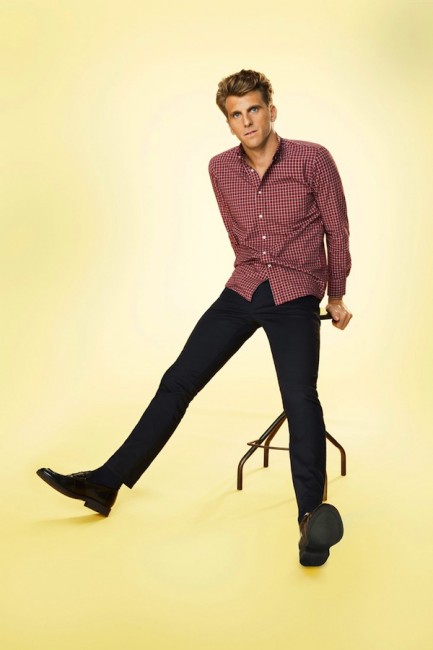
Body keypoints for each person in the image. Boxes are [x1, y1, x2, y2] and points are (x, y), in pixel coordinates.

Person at [37, 69, 352, 567]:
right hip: (244, 287)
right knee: (177, 381)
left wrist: (335, 295)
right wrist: (248, 274)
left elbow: (337, 228)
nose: (247, 121)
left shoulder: (313, 158)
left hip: (295, 291)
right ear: (228, 122)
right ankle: (106, 483)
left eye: (254, 109)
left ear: (271, 110)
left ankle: (310, 518)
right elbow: (236, 232)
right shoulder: (220, 168)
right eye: (236, 114)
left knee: (299, 396)